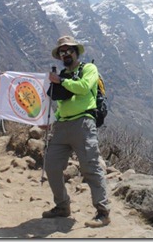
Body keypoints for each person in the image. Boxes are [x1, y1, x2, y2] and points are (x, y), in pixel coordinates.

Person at [43, 35, 111, 228]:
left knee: (91, 167)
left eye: (69, 50)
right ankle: (62, 205)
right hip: (62, 126)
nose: (66, 54)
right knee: (52, 165)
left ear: (76, 52)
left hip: (83, 124)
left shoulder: (89, 69)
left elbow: (82, 88)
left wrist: (60, 82)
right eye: (62, 51)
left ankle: (103, 212)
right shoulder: (62, 74)